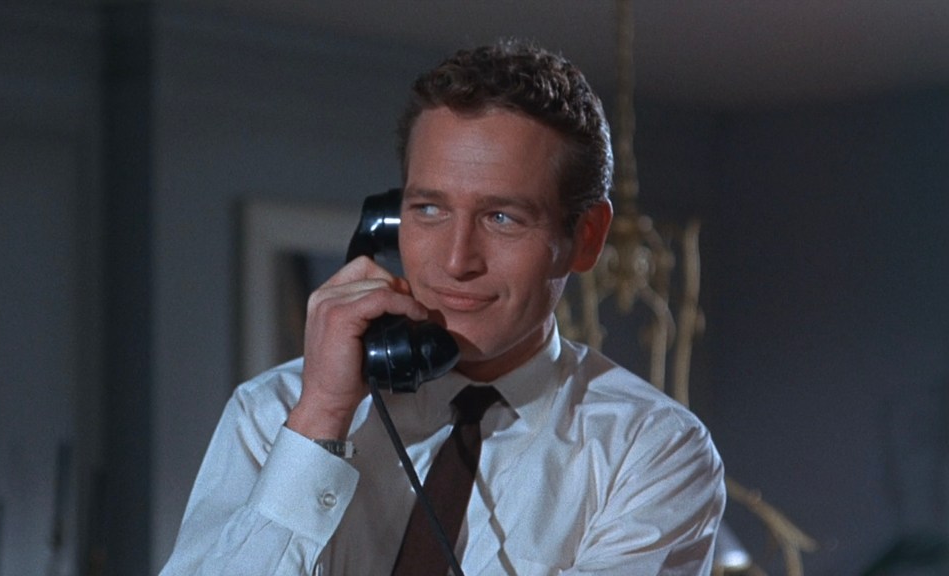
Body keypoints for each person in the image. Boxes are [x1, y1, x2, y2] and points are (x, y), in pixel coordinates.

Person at [161, 39, 725, 575]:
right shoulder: (275, 412)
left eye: (502, 218)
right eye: (429, 210)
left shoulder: (651, 450)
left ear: (587, 237)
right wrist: (319, 422)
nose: (456, 261)